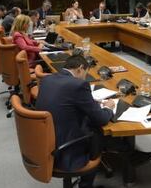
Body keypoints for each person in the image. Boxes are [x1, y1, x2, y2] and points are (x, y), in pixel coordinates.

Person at [35, 55, 115, 188]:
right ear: (80, 69)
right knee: (97, 131)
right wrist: (108, 108)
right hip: (66, 150)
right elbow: (100, 119)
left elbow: (64, 101)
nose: (85, 77)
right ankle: (86, 184)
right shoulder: (79, 85)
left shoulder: (47, 79)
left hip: (45, 142)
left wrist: (90, 101)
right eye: (85, 73)